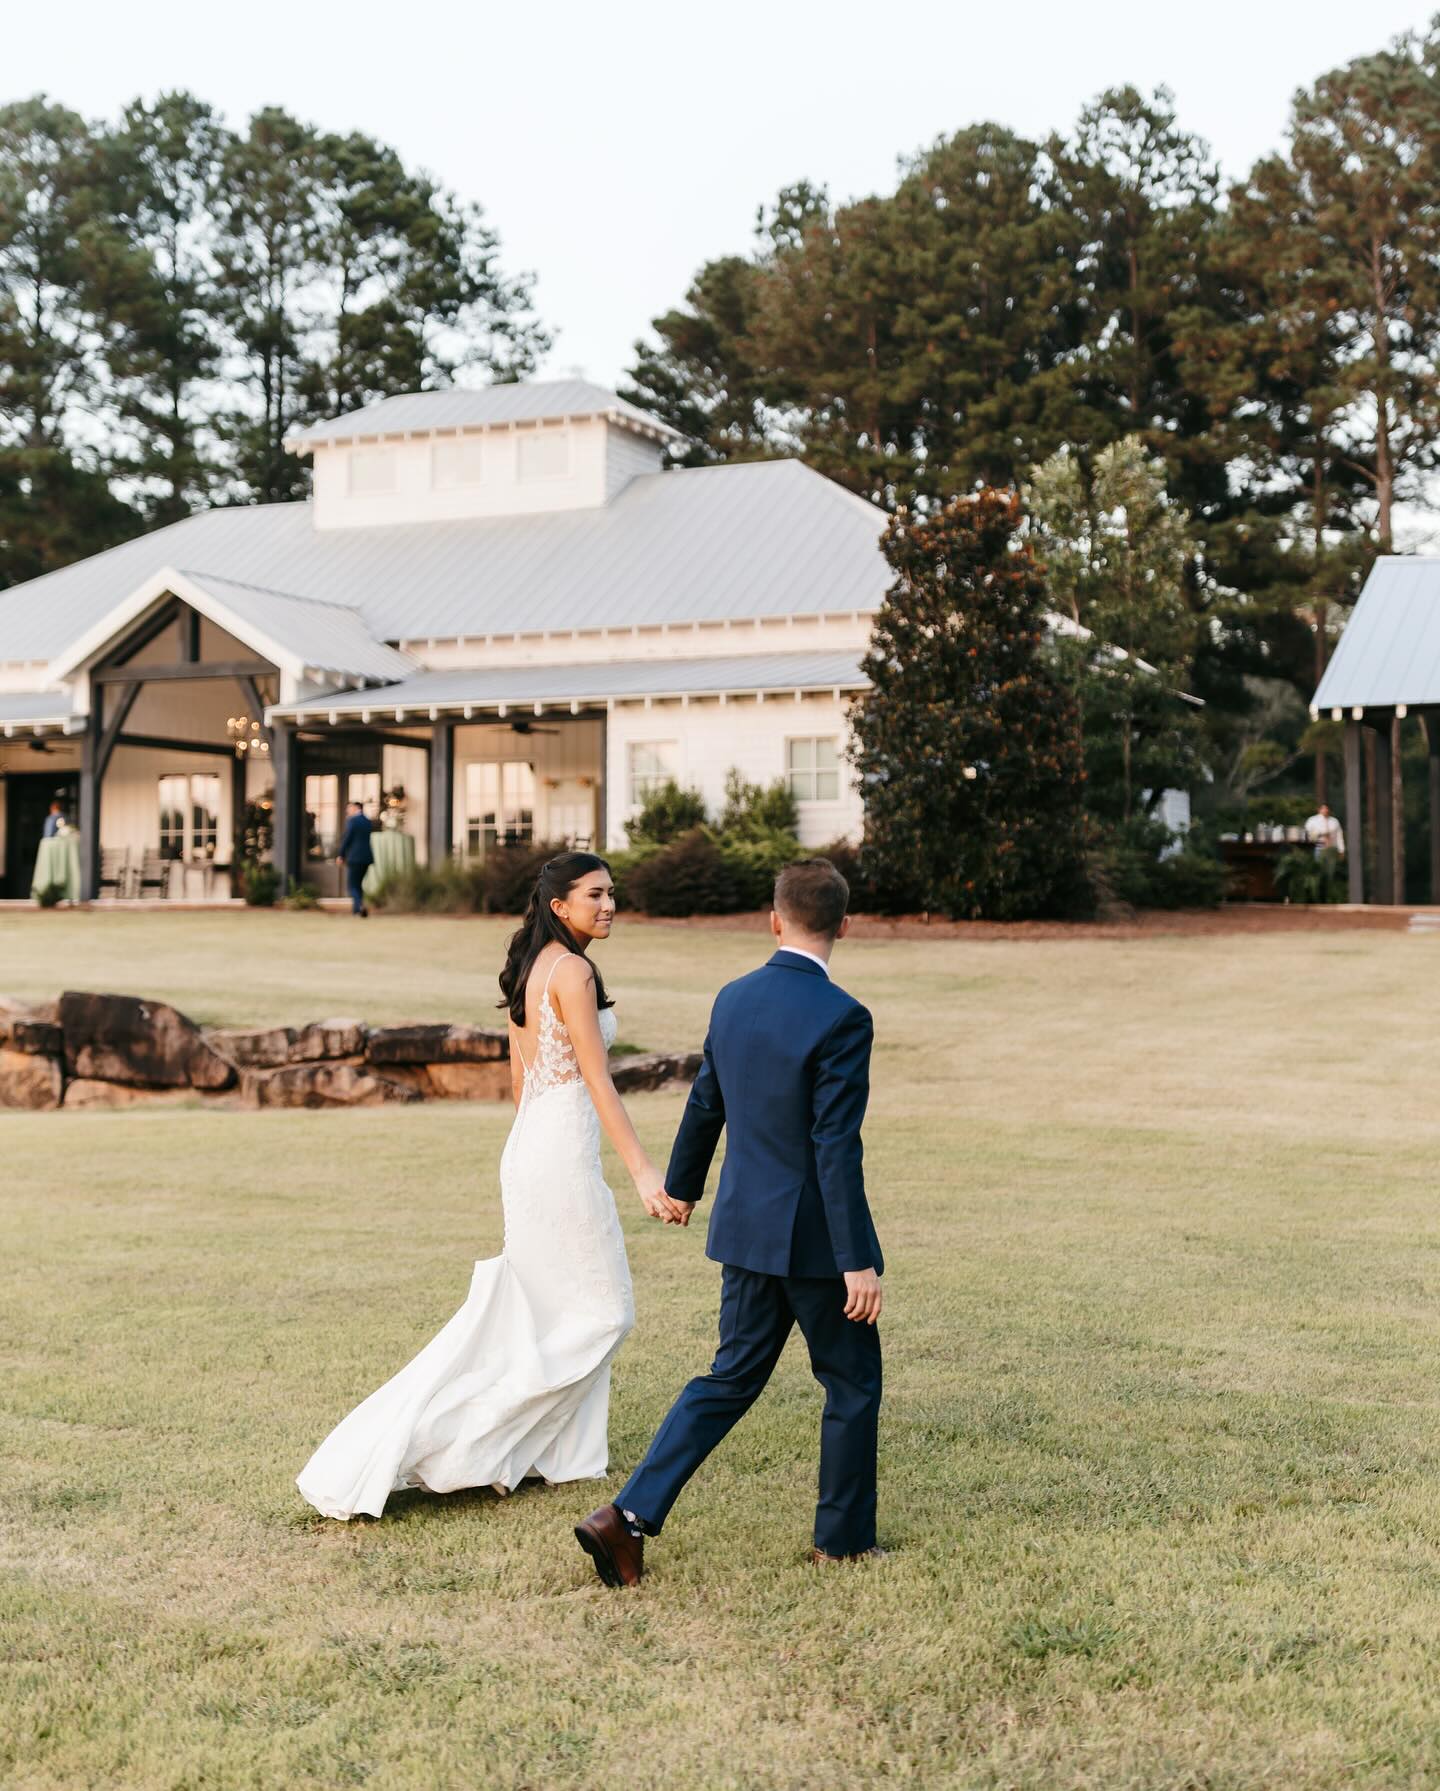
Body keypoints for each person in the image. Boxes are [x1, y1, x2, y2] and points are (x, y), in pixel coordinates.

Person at [296, 852, 687, 1521]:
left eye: (612, 894)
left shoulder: (531, 967)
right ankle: (467, 1441)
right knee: (604, 1311)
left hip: (530, 1148)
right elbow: (597, 1079)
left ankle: (561, 1454)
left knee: (550, 1308)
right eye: (595, 895)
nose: (609, 904)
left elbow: (519, 1083)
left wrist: (537, 1155)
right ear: (559, 905)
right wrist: (645, 1171)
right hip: (557, 1153)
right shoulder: (572, 971)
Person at [575, 858, 885, 1587]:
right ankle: (840, 1540)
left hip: (745, 1233)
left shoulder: (734, 998)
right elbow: (833, 1146)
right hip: (813, 1247)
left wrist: (682, 1187)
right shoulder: (844, 1017)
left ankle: (625, 1516)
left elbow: (704, 1101)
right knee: (851, 1383)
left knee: (728, 1377)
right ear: (844, 925)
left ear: (773, 919)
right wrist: (857, 1259)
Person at [334, 800, 374, 916]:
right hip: (366, 858)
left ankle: (359, 906)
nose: (347, 811)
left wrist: (341, 854)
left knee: (352, 885)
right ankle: (356, 910)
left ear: (357, 808)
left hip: (355, 857)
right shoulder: (367, 821)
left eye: (349, 808)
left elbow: (347, 839)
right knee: (358, 884)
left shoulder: (353, 821)